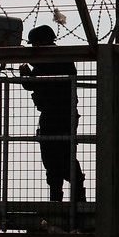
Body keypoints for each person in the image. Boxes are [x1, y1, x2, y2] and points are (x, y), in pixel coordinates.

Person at [19, 25, 86, 202]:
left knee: (58, 155)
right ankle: (68, 195)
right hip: (58, 114)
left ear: (42, 42)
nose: (33, 48)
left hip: (58, 114)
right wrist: (27, 76)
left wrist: (27, 74)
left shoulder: (55, 57)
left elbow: (37, 81)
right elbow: (35, 83)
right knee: (56, 156)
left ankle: (65, 196)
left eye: (34, 45)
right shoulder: (55, 58)